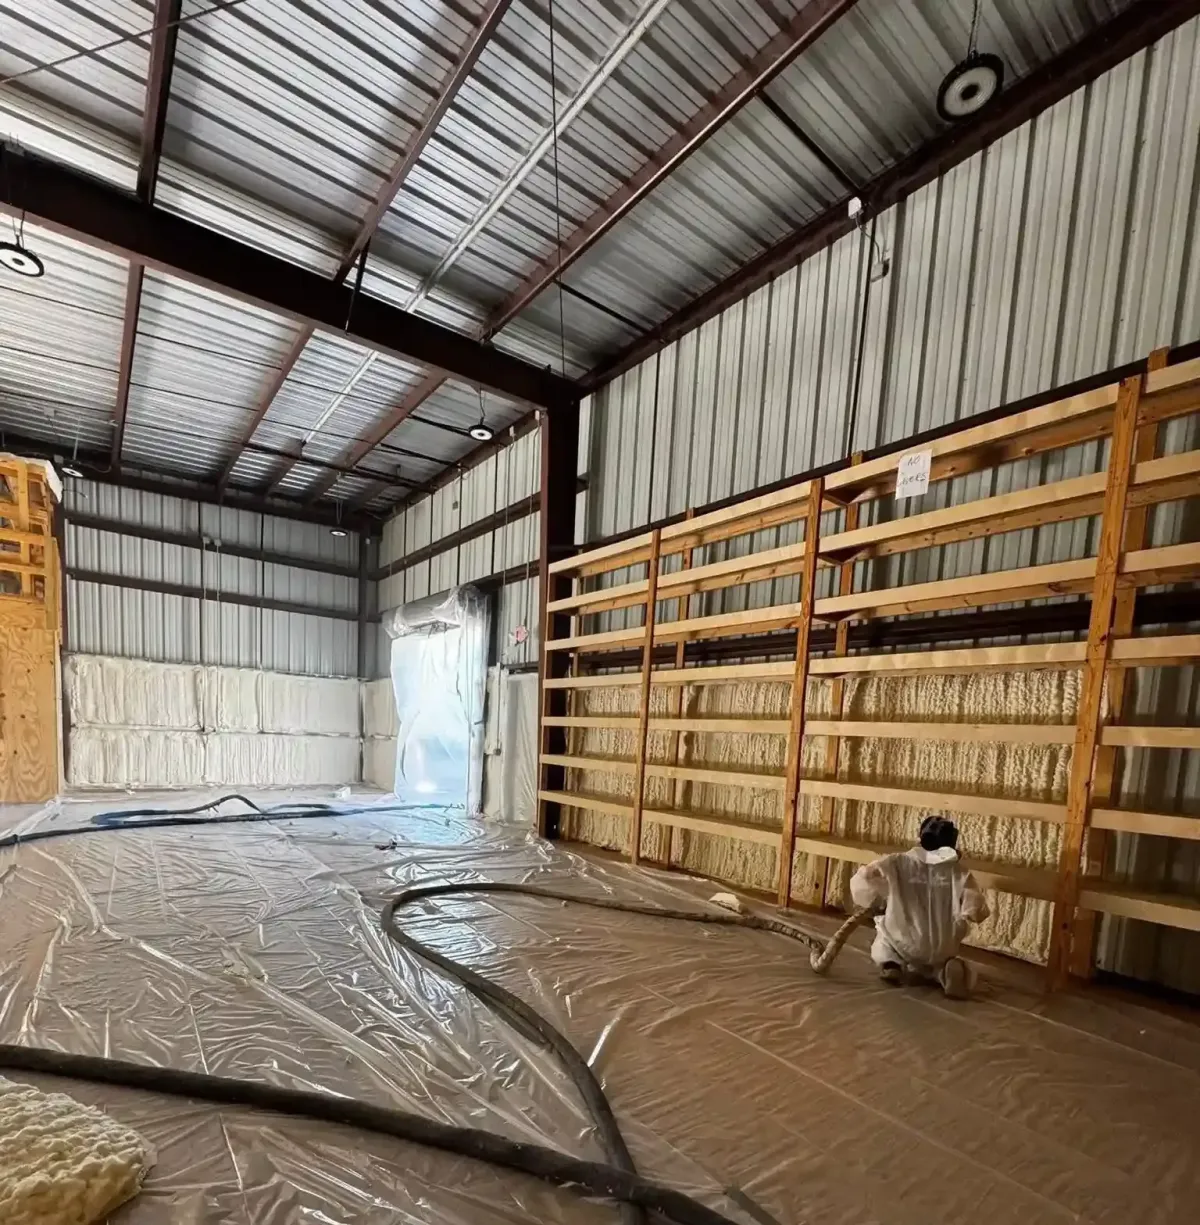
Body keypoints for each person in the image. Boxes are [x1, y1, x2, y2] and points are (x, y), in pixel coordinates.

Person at [849, 815, 989, 1000]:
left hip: (903, 940)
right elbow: (975, 906)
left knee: (884, 940)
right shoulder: (959, 872)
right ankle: (944, 973)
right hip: (942, 946)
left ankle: (892, 965)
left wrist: (876, 899)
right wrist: (970, 912)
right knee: (940, 961)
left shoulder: (897, 862)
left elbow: (866, 877)